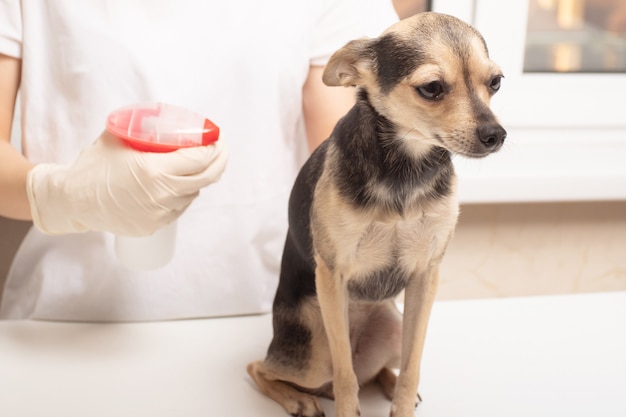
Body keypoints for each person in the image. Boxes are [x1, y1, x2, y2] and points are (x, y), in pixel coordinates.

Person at [0, 1, 399, 321]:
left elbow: (346, 166)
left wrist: (366, 289)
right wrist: (62, 196)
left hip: (258, 323)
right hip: (59, 325)